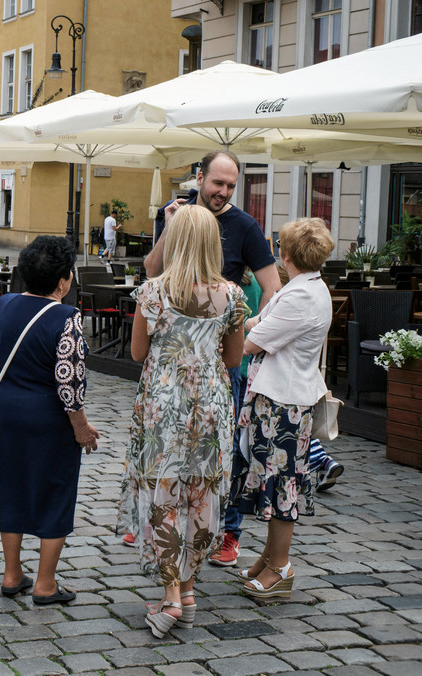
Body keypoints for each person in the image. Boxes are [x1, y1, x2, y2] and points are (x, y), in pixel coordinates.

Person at [118, 204, 247, 637]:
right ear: (214, 243)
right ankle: (188, 593)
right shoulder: (233, 296)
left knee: (164, 495)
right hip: (210, 407)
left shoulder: (152, 293)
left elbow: (137, 354)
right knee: (199, 496)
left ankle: (171, 597)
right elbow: (233, 358)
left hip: (163, 407)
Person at [147, 150, 281, 567]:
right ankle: (166, 523)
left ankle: (227, 531)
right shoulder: (176, 215)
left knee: (223, 454)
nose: (223, 192)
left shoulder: (245, 226)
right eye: (217, 183)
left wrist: (242, 324)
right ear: (200, 177)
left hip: (220, 363)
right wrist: (168, 229)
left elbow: (274, 287)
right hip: (172, 364)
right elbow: (151, 272)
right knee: (168, 450)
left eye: (230, 186)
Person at [0, 236, 96, 605]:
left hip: (7, 413)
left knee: (11, 491)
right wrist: (81, 427)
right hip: (48, 418)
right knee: (55, 493)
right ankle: (46, 584)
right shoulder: (67, 317)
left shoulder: (4, 305)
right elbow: (69, 380)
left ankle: (12, 573)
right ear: (63, 281)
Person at [231, 217, 334, 600]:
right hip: (281, 399)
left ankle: (281, 566)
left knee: (282, 486)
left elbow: (254, 341)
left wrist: (235, 323)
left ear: (286, 254)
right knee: (274, 482)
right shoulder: (306, 287)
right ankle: (269, 558)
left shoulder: (301, 295)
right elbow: (261, 321)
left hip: (284, 405)